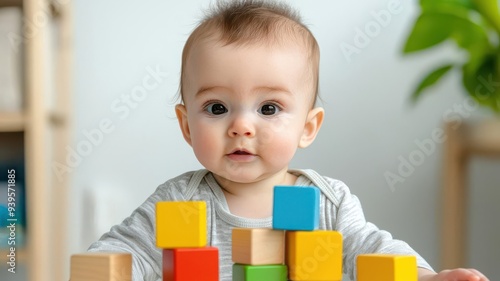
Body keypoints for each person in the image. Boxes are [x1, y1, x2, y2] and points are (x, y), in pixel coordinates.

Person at [88, 1, 490, 280]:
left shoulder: (327, 204)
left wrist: (427, 277)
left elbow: (374, 250)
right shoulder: (178, 201)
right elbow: (126, 251)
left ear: (308, 127)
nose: (241, 126)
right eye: (216, 108)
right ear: (187, 125)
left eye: (268, 109)